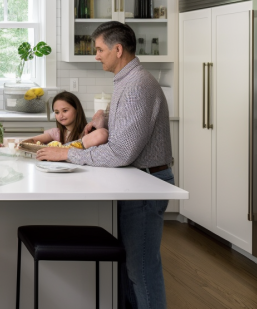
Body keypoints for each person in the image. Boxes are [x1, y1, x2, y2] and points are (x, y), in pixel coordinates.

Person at [36, 21, 174, 309]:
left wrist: (67, 154)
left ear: (118, 49)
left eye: (99, 49)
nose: (96, 55)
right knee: (130, 267)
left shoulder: (137, 87)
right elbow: (128, 129)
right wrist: (104, 119)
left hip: (145, 187)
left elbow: (121, 151)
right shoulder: (127, 81)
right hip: (137, 183)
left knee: (142, 270)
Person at [24, 91, 108, 148]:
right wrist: (20, 143)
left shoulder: (88, 133)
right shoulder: (55, 133)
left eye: (65, 111)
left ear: (77, 110)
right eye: (57, 112)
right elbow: (33, 140)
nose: (60, 115)